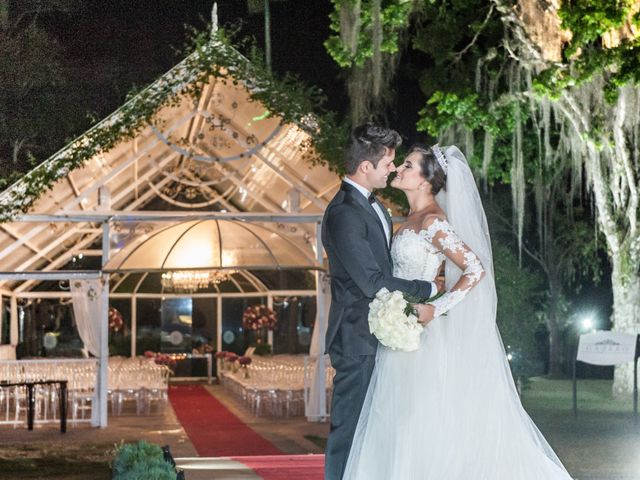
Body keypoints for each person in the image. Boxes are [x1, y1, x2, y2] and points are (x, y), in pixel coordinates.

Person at [342, 144, 573, 479]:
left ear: (424, 181)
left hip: (424, 337)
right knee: (397, 419)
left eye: (407, 165)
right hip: (401, 333)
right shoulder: (409, 221)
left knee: (419, 419)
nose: (399, 169)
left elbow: (475, 269)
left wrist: (436, 309)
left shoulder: (433, 221)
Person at [321, 125, 442, 480]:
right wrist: (427, 288)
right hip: (356, 338)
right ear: (365, 168)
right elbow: (372, 281)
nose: (392, 169)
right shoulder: (344, 212)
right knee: (348, 431)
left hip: (381, 335)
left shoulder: (376, 207)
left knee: (373, 432)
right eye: (388, 163)